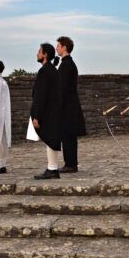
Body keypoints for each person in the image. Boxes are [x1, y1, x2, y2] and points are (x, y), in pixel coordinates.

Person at [31, 43, 62, 180]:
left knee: (50, 138)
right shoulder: (52, 70)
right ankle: (52, 168)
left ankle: (52, 169)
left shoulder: (45, 71)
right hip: (54, 110)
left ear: (45, 55)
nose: (37, 53)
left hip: (48, 112)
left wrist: (37, 115)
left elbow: (40, 95)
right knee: (52, 138)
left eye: (39, 51)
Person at [56, 36, 86, 173]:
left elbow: (62, 88)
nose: (57, 48)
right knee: (68, 136)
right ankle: (71, 163)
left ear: (64, 47)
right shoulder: (67, 64)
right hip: (69, 105)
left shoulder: (66, 65)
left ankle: (70, 164)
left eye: (58, 46)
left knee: (67, 136)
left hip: (67, 107)